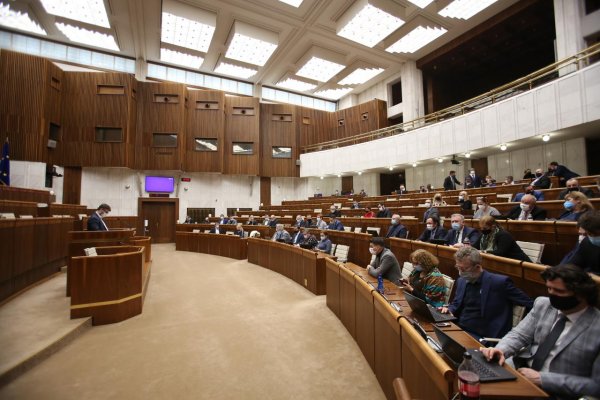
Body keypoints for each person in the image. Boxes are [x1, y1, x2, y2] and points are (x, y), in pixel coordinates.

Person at [480, 264, 600, 399]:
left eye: (559, 291)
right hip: (522, 374)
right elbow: (519, 335)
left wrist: (543, 379)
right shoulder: (544, 305)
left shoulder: (596, 326)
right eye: (549, 288)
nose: (552, 295)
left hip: (559, 393)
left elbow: (596, 385)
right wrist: (501, 349)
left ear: (581, 294)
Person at [440, 247, 533, 340]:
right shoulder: (461, 281)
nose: (460, 272)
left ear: (477, 267)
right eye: (458, 267)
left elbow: (530, 304)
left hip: (483, 337)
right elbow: (456, 303)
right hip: (459, 328)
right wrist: (449, 310)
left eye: (463, 269)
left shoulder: (499, 283)